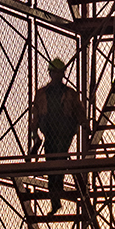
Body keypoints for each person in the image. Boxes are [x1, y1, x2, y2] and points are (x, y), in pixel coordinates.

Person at [29, 57, 89, 216]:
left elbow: (79, 111)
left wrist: (85, 125)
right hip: (50, 132)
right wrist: (34, 134)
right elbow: (36, 115)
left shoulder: (69, 94)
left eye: (59, 73)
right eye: (55, 72)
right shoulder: (42, 94)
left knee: (58, 160)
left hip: (64, 132)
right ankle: (55, 199)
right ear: (51, 73)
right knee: (52, 164)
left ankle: (57, 193)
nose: (57, 76)